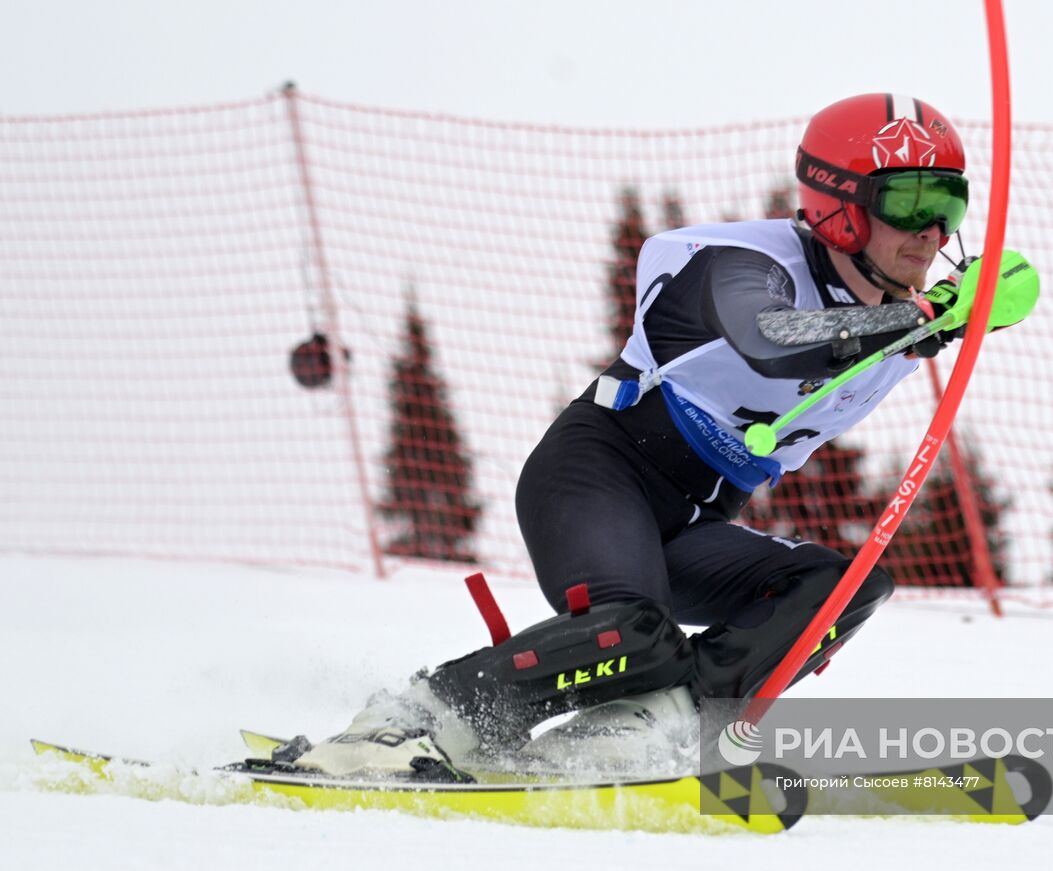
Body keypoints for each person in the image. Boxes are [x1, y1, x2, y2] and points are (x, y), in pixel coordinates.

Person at [290, 93, 978, 777]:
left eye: (949, 206)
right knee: (633, 632)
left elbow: (969, 296)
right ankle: (410, 723)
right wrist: (918, 322)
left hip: (696, 520)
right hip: (600, 472)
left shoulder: (900, 316)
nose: (933, 232)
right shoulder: (742, 262)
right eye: (911, 203)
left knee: (845, 585)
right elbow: (772, 339)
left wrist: (992, 296)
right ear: (840, 204)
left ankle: (644, 728)